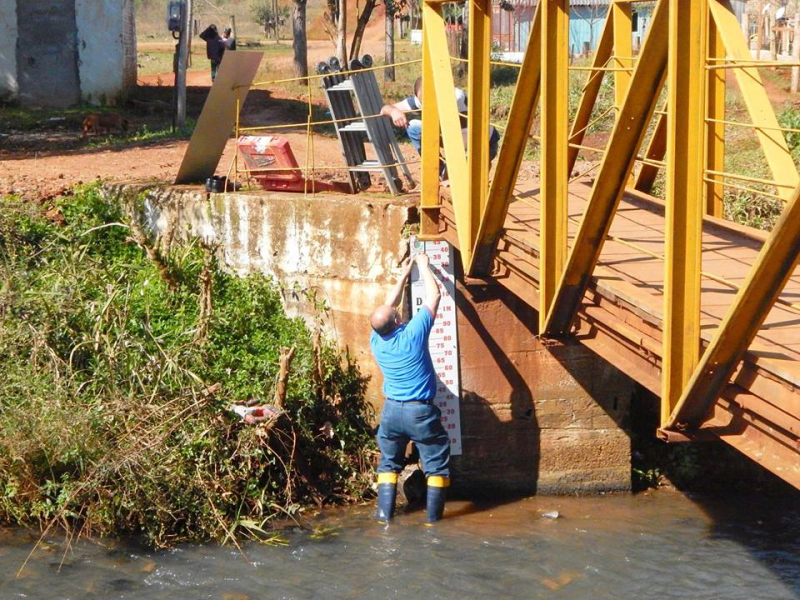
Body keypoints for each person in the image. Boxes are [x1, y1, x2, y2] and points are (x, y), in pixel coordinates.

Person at [370, 253, 450, 523]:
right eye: (397, 315)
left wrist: (403, 275)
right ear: (397, 322)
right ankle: (433, 523)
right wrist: (425, 267)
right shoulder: (413, 334)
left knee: (388, 464)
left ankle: (384, 518)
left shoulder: (376, 339)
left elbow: (386, 308)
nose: (398, 313)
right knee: (436, 466)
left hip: (391, 413)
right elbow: (434, 296)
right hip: (420, 413)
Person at [380, 77, 500, 179]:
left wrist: (450, 176)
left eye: (431, 98)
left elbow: (456, 145)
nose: (427, 103)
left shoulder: (455, 98)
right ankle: (440, 169)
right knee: (413, 127)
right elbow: (384, 109)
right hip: (455, 139)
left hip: (482, 142)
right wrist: (394, 112)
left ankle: (473, 171)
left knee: (468, 181)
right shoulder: (420, 100)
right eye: (423, 100)